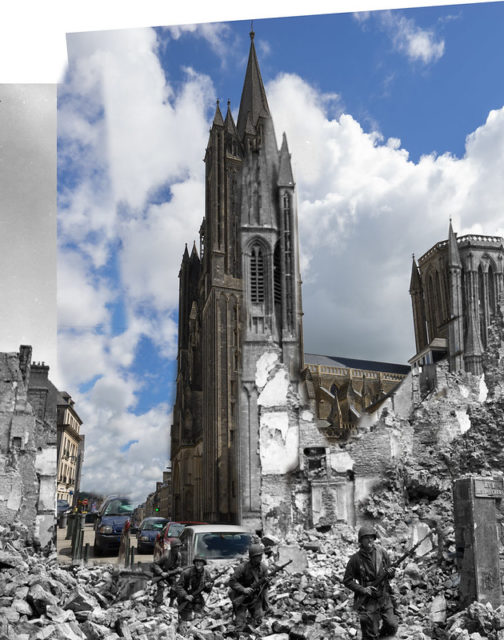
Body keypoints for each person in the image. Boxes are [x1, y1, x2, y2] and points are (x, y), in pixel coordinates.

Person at [343, 525, 399, 639]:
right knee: (370, 633)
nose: (370, 540)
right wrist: (363, 589)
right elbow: (347, 581)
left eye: (372, 537)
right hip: (368, 599)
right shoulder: (355, 559)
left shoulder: (382, 553)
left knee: (392, 625)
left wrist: (390, 572)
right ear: (361, 540)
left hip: (384, 595)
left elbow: (391, 575)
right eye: (366, 537)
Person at [228, 543, 269, 631]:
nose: (260, 558)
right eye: (257, 556)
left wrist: (267, 582)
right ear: (252, 557)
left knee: (259, 622)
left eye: (260, 555)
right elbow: (231, 581)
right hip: (241, 598)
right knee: (240, 626)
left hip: (255, 598)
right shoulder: (242, 567)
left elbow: (265, 587)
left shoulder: (264, 568)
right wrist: (243, 589)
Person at [175, 555, 213, 623]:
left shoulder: (206, 573)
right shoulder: (186, 572)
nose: (198, 563)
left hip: (197, 597)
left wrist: (208, 587)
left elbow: (208, 590)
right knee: (186, 618)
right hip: (185, 596)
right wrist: (186, 596)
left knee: (199, 618)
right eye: (197, 561)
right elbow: (178, 586)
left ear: (204, 563)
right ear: (194, 563)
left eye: (200, 562)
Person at [152, 538, 183, 607]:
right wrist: (161, 573)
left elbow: (177, 567)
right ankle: (157, 603)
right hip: (160, 574)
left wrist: (179, 570)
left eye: (179, 547)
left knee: (175, 586)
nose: (178, 548)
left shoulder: (179, 556)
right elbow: (155, 564)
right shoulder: (166, 556)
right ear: (172, 548)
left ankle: (171, 603)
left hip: (170, 573)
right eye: (176, 547)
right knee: (161, 586)